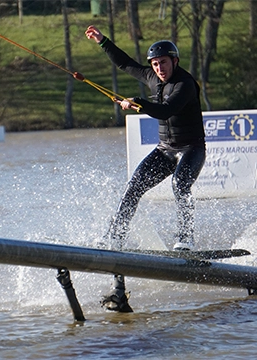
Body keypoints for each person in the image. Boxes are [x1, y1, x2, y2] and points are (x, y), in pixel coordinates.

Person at [85, 25, 206, 312]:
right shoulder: (152, 76)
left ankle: (185, 237)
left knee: (180, 185)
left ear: (174, 61)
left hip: (191, 149)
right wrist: (102, 41)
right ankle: (117, 234)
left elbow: (166, 110)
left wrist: (136, 102)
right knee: (133, 186)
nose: (159, 68)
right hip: (165, 150)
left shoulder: (184, 84)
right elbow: (125, 63)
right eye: (155, 64)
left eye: (163, 62)